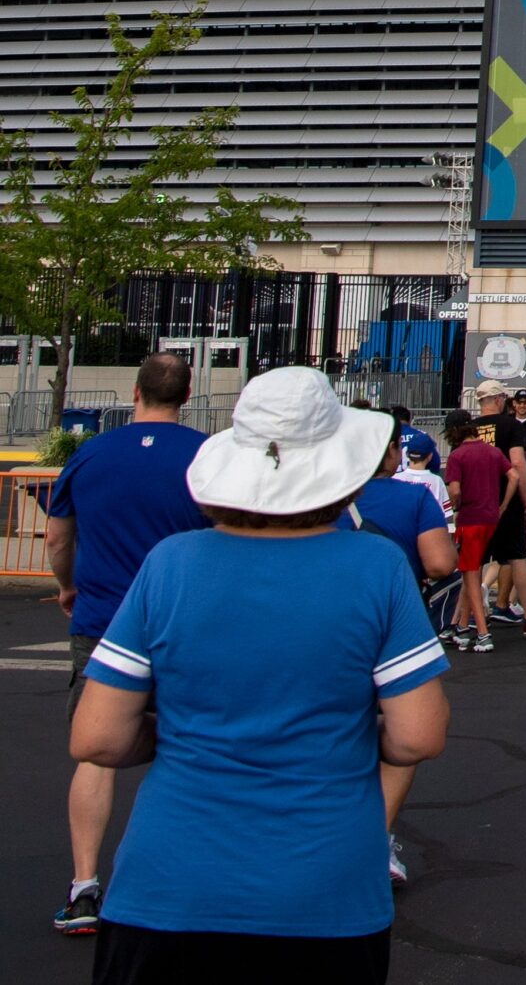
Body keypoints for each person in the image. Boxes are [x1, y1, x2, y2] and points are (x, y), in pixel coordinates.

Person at [70, 366, 449, 983]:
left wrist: (186, 730)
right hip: (325, 892)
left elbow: (97, 738)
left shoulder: (170, 564)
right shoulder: (376, 567)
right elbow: (418, 736)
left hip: (168, 887)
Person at [44, 350, 208, 937]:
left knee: (96, 753)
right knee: (195, 747)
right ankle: (187, 887)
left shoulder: (90, 453)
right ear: (186, 395)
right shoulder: (207, 456)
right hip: (186, 623)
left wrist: (68, 586)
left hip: (104, 622)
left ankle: (84, 888)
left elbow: (58, 536)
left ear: (134, 392)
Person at [339, 427, 457, 888]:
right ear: (389, 453)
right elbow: (440, 564)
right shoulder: (413, 497)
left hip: (327, 626)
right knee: (403, 730)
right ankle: (376, 838)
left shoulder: (321, 498)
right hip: (394, 627)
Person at [478, 380, 526, 633]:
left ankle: (468, 618)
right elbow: (518, 463)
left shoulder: (469, 428)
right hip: (507, 499)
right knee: (517, 557)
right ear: (498, 400)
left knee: (474, 562)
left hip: (477, 502)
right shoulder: (511, 425)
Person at [440, 414, 503, 652]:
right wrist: (502, 505)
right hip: (490, 518)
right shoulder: (493, 452)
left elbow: (455, 490)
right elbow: (514, 475)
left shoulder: (457, 456)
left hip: (470, 519)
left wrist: (457, 507)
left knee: (470, 574)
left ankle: (483, 633)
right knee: (471, 570)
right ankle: (462, 626)